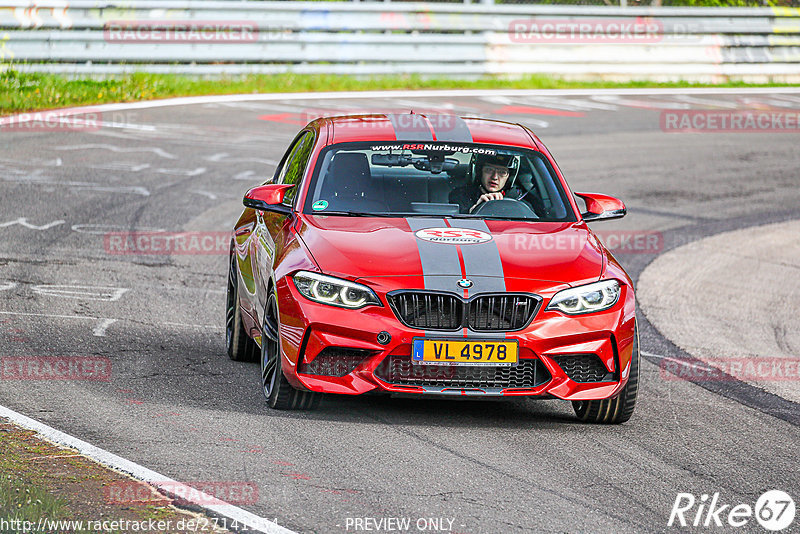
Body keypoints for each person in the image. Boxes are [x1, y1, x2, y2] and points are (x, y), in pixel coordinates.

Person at [448, 153, 517, 213]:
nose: (495, 177)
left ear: (509, 177)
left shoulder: (516, 200)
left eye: (502, 172)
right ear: (480, 172)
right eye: (489, 170)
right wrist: (473, 210)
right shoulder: (460, 195)